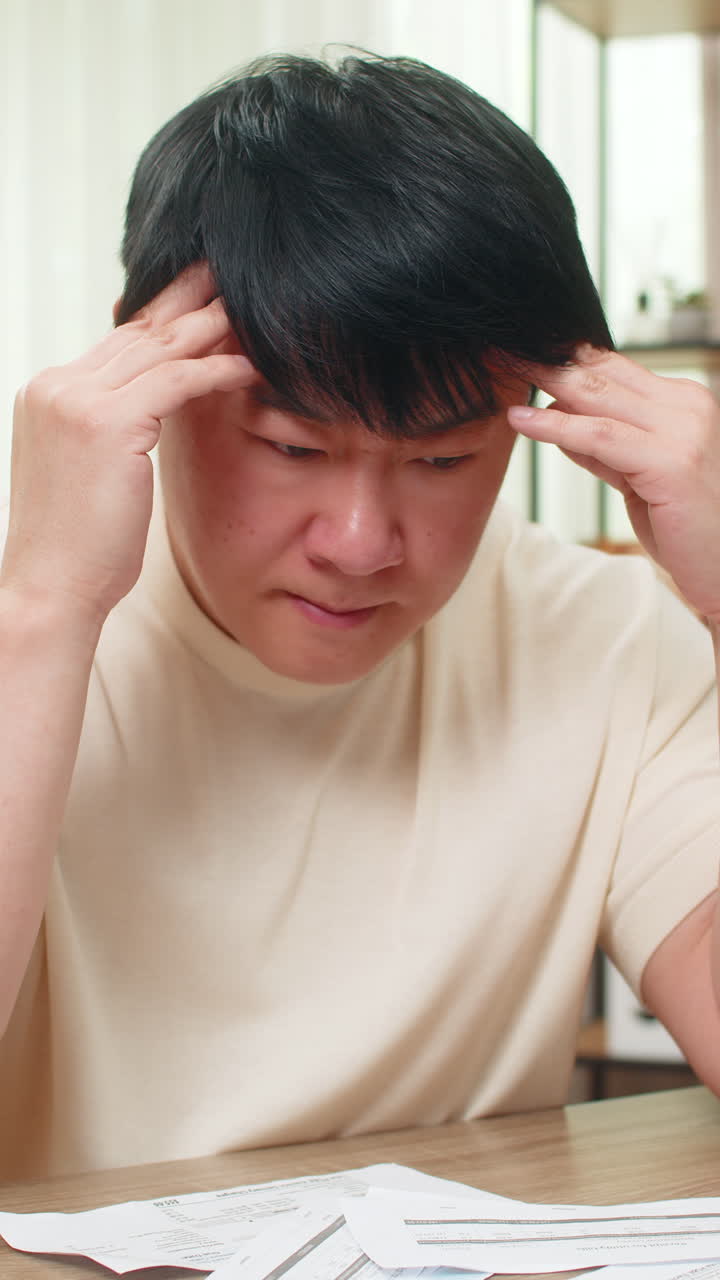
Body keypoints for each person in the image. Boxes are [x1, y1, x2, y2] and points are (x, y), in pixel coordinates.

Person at [1, 50, 720, 1183]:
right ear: (145, 371)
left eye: (441, 455)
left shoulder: (608, 637)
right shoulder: (32, 633)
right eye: (292, 445)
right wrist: (40, 612)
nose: (360, 541)